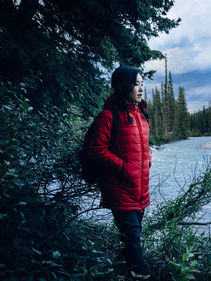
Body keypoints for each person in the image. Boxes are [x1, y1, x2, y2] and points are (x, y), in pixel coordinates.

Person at [87, 65, 151, 277]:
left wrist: (147, 160)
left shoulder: (141, 115)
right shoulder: (108, 116)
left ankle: (124, 273)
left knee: (132, 240)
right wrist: (124, 167)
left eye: (142, 84)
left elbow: (143, 148)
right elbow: (96, 150)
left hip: (140, 191)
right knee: (133, 243)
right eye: (135, 84)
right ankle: (140, 275)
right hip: (121, 191)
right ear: (123, 86)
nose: (140, 89)